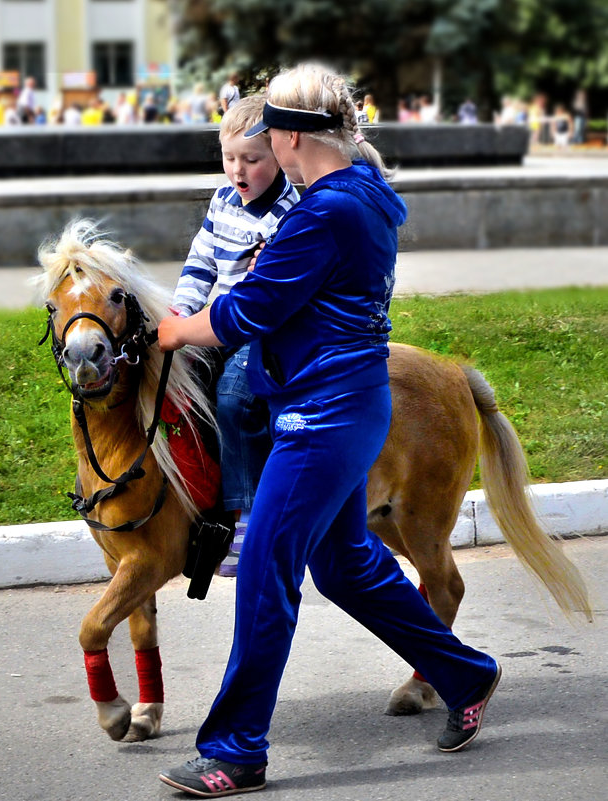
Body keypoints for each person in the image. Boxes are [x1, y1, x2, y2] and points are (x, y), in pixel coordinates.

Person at [156, 62, 501, 798]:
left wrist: (172, 329)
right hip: (344, 405)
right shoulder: (360, 191)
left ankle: (235, 750)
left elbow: (243, 314)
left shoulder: (321, 212)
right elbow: (297, 289)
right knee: (342, 565)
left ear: (285, 139)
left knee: (264, 573)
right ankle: (465, 671)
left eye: (266, 137)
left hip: (323, 417)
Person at [170, 93, 299, 577]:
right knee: (178, 386)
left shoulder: (289, 215)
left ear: (280, 155)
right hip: (215, 322)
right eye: (229, 158)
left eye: (252, 159)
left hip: (260, 332)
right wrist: (179, 310)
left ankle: (245, 515)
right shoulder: (222, 200)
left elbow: (264, 298)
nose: (238, 171)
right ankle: (194, 494)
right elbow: (201, 261)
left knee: (233, 399)